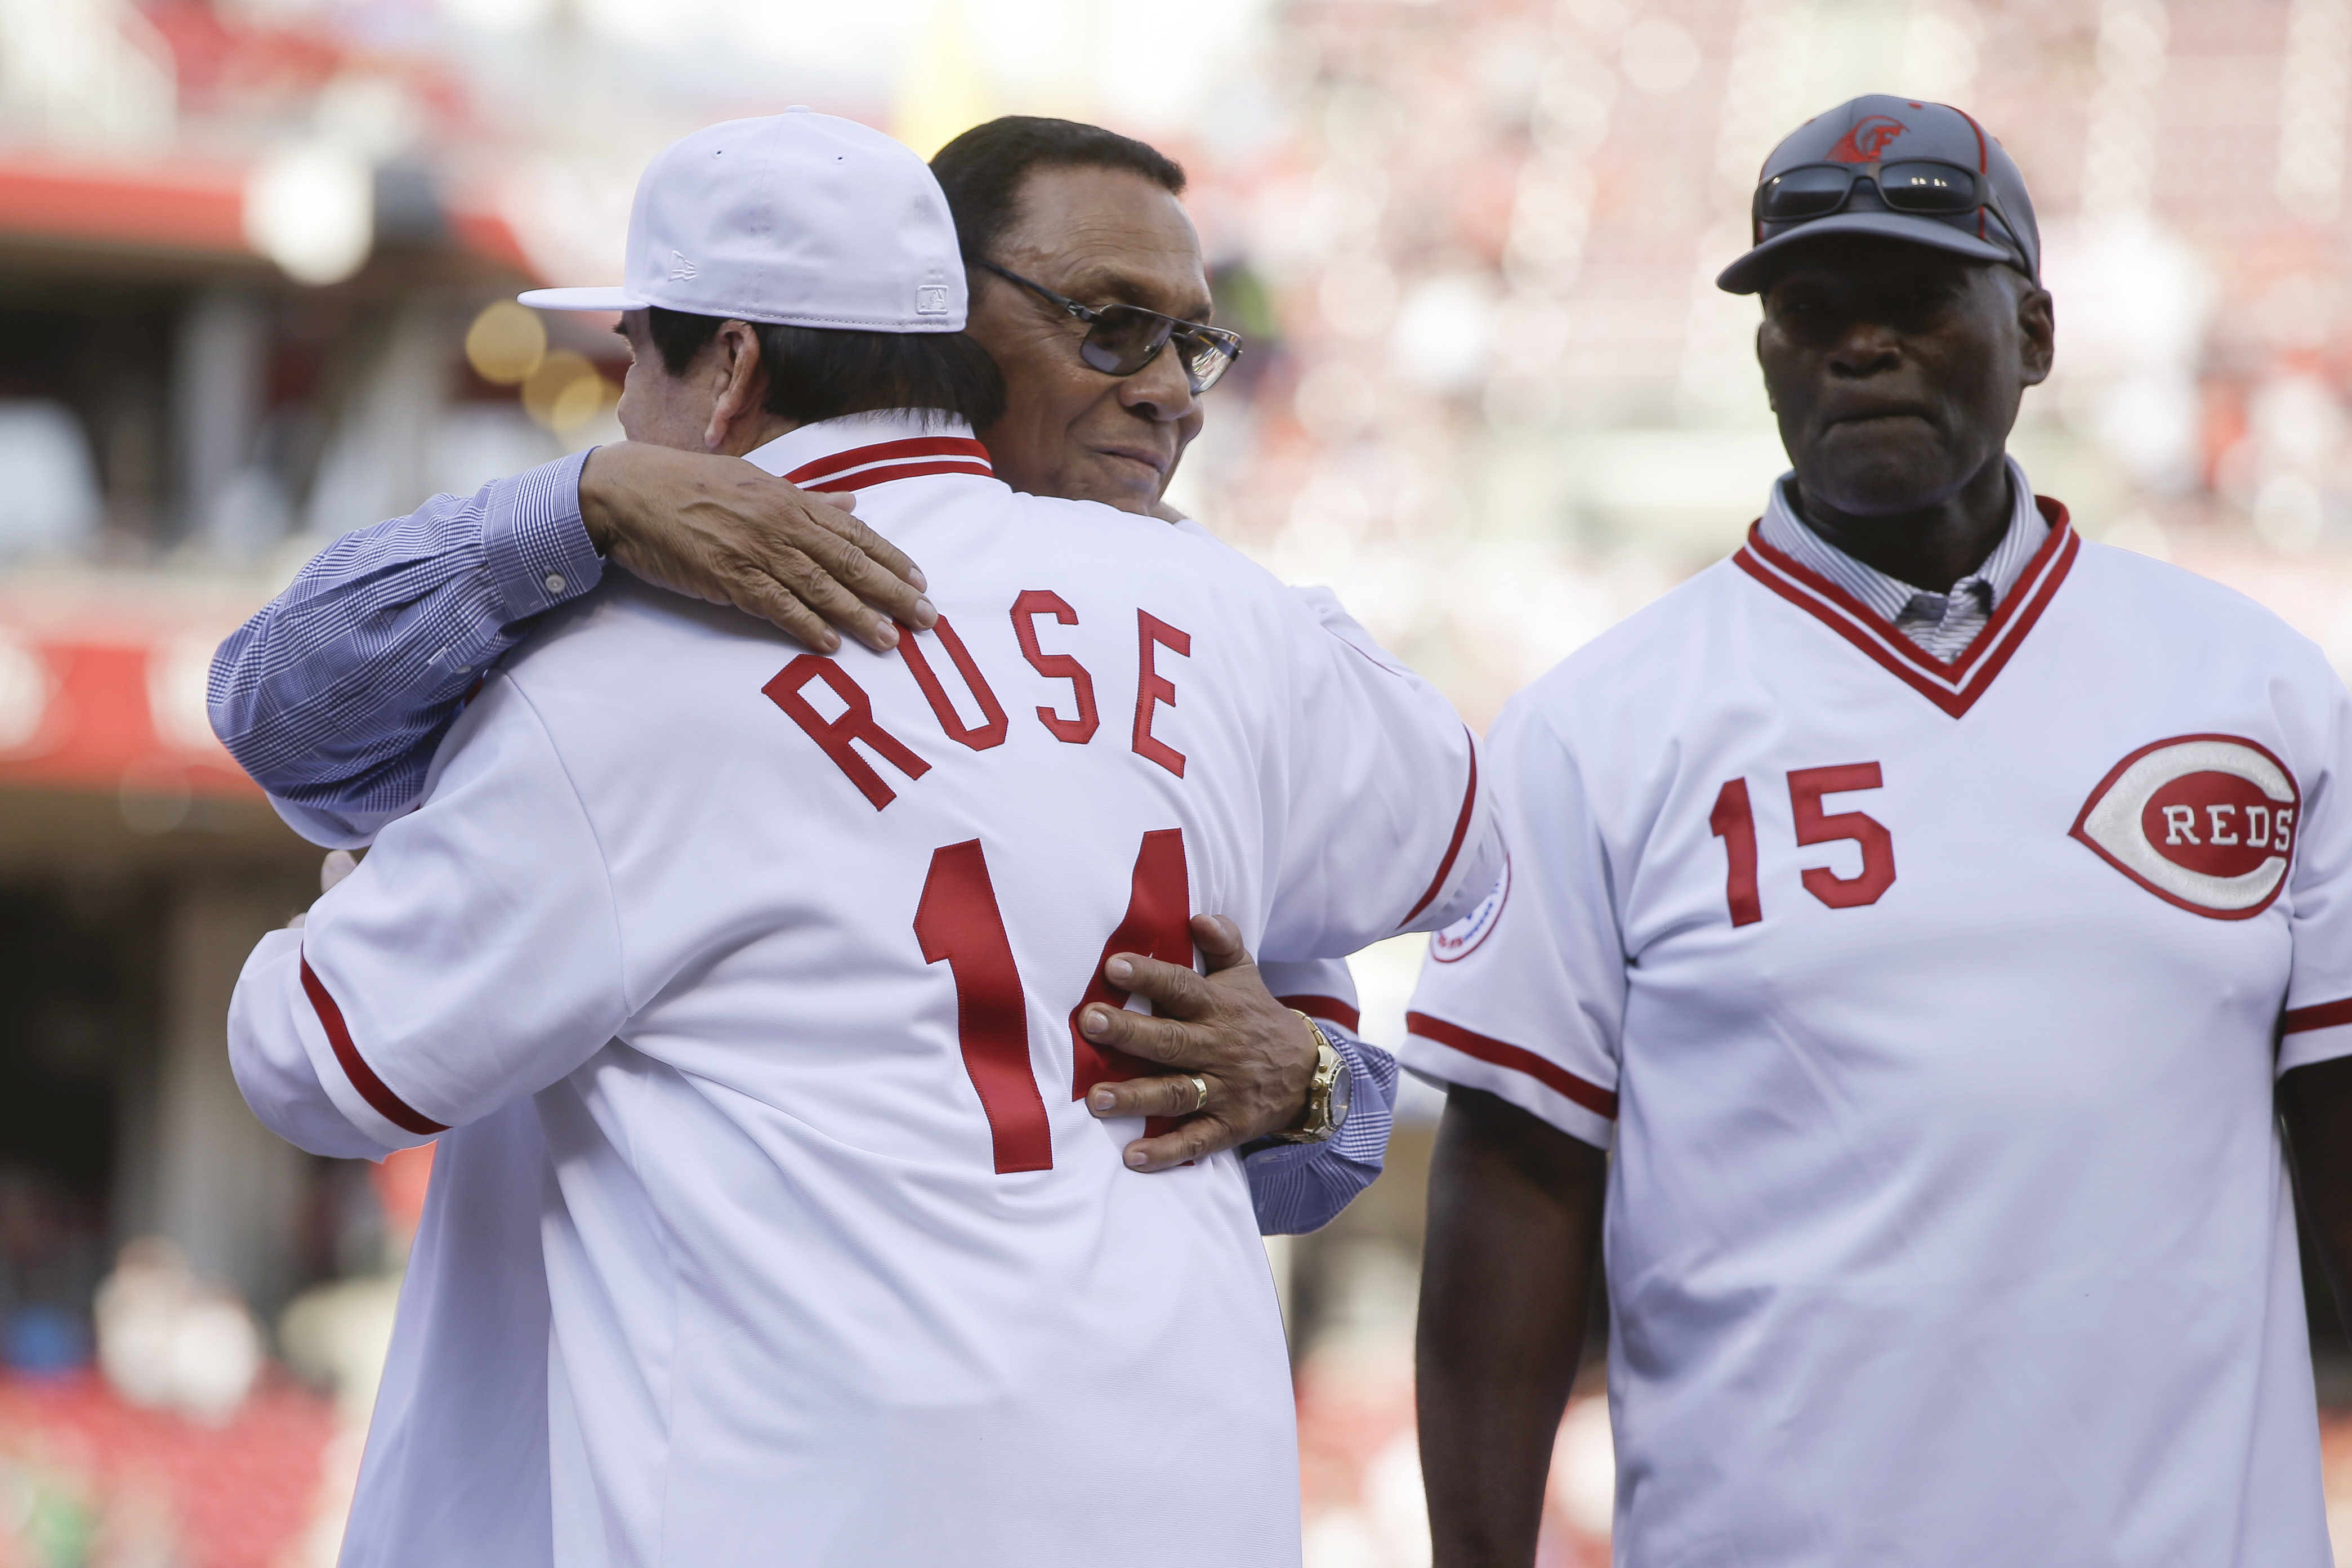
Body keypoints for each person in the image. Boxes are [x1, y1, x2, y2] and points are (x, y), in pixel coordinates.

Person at [229, 111, 1497, 1565]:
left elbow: (311, 1056)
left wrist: (1319, 1074)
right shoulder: (1241, 623)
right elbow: (1470, 854)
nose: (1164, 390)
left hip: (781, 1504)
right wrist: (564, 507)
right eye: (1108, 327)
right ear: (943, 333)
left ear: (730, 362)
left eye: (633, 349)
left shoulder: (610, 669)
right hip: (1176, 1503)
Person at [1404, 95, 2352, 1566]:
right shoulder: (1596, 727)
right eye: (1808, 307)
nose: (1859, 343)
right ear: (1764, 346)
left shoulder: (2255, 688)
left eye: (1914, 299)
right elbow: (1511, 1193)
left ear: (2032, 333)